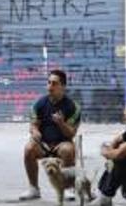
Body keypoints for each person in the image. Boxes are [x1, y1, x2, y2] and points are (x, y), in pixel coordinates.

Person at [19, 70, 83, 200]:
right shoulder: (40, 103)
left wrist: (61, 123)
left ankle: (67, 188)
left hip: (62, 143)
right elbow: (33, 124)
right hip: (43, 144)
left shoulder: (73, 107)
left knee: (68, 150)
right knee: (28, 149)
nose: (50, 86)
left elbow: (71, 133)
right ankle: (33, 189)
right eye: (48, 83)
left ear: (63, 86)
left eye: (54, 83)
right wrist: (35, 131)